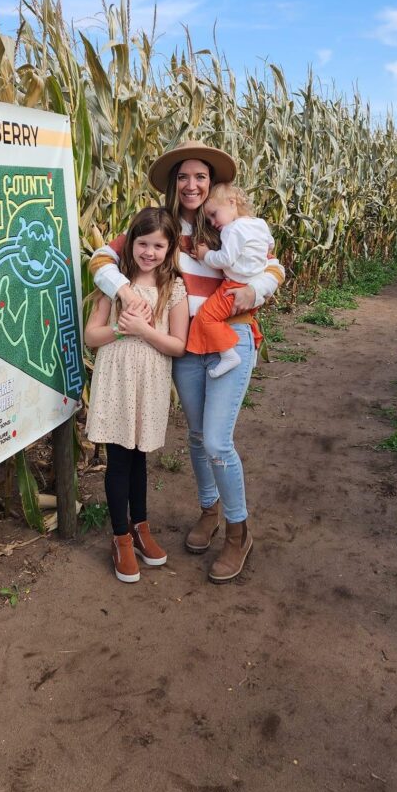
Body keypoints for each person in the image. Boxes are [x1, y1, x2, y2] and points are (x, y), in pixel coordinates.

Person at [90, 142, 285, 583]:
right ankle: (209, 511)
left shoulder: (225, 225)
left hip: (229, 336)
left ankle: (238, 532)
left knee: (216, 440)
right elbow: (102, 257)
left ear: (212, 184)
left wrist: (253, 291)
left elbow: (273, 268)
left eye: (200, 177)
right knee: (197, 438)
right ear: (173, 184)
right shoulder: (161, 229)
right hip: (185, 342)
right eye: (183, 177)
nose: (191, 185)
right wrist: (125, 292)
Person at [84, 206, 189, 584]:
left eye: (158, 246)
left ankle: (140, 526)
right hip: (117, 380)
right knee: (118, 459)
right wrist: (120, 330)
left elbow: (178, 345)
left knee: (139, 457)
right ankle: (121, 537)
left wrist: (144, 331)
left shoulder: (174, 288)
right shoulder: (115, 284)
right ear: (130, 243)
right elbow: (91, 336)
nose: (149, 252)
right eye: (143, 243)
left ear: (169, 248)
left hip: (149, 381)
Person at [188, 182, 274, 378]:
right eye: (209, 218)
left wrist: (205, 254)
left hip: (235, 287)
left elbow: (225, 259)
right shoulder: (259, 223)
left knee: (206, 317)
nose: (212, 222)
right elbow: (270, 245)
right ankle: (253, 349)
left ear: (232, 202)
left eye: (213, 214)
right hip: (254, 284)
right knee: (250, 318)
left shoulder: (231, 230)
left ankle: (228, 354)